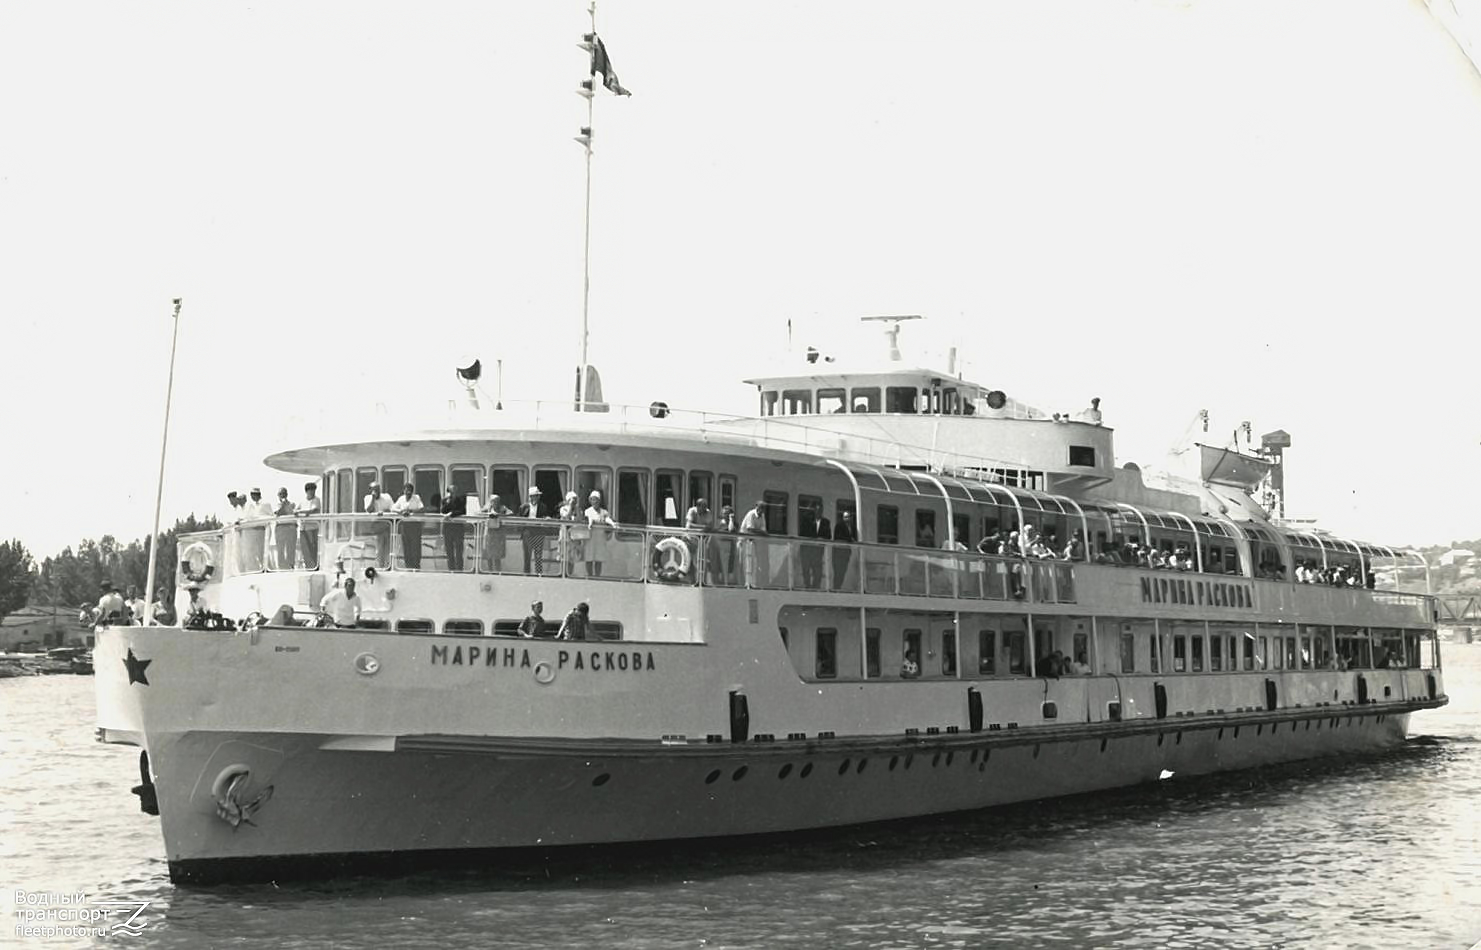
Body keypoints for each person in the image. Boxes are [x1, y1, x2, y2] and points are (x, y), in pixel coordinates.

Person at [518, 486, 554, 574]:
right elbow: (519, 519)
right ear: (530, 497)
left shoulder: (543, 506)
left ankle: (539, 574)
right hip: (527, 533)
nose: (537, 497)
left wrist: (547, 518)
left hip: (538, 532)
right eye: (534, 496)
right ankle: (526, 574)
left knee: (538, 555)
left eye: (537, 496)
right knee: (527, 555)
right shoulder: (523, 507)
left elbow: (545, 516)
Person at [391, 483, 425, 569]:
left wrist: (410, 511)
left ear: (412, 491)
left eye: (410, 490)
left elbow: (421, 509)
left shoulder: (416, 498)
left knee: (415, 547)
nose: (408, 492)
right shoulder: (401, 498)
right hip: (404, 525)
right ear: (404, 491)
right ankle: (408, 566)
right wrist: (401, 511)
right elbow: (393, 508)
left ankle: (416, 566)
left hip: (415, 525)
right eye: (406, 490)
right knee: (406, 547)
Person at [584, 491, 617, 577]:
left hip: (600, 538)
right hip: (590, 538)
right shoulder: (587, 511)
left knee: (598, 559)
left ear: (599, 501)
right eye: (593, 499)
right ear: (590, 501)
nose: (595, 501)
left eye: (596, 499)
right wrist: (590, 523)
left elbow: (607, 519)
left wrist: (612, 524)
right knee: (589, 558)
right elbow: (589, 518)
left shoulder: (604, 512)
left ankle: (597, 577)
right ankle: (590, 576)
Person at [363, 481, 395, 569]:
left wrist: (384, 512)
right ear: (370, 490)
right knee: (379, 548)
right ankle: (380, 566)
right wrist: (373, 498)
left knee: (389, 548)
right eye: (374, 489)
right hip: (376, 525)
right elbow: (369, 510)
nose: (377, 491)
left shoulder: (387, 497)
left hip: (388, 524)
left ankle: (388, 566)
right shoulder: (367, 498)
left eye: (378, 489)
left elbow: (393, 509)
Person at [740, 499, 768, 586]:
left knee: (754, 562)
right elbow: (750, 529)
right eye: (761, 507)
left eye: (763, 508)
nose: (762, 510)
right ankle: (746, 583)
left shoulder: (762, 516)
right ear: (756, 507)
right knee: (746, 562)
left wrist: (761, 532)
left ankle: (753, 583)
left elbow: (763, 529)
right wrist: (761, 532)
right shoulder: (751, 514)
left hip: (754, 541)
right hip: (744, 541)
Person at [482, 493, 513, 572]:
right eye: (493, 501)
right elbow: (478, 513)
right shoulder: (487, 508)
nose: (495, 503)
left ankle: (497, 571)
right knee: (488, 553)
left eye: (496, 501)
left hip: (498, 534)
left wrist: (498, 515)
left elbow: (510, 513)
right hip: (489, 533)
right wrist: (488, 515)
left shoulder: (502, 508)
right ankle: (490, 571)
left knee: (497, 554)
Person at [270, 487, 298, 570]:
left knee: (291, 548)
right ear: (278, 495)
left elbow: (295, 513)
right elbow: (277, 513)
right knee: (280, 549)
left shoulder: (292, 504)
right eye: (280, 494)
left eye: (284, 493)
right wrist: (283, 505)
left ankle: (290, 566)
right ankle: (281, 567)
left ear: (287, 494)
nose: (282, 495)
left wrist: (287, 505)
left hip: (290, 527)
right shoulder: (275, 505)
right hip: (280, 528)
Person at [441, 486, 468, 571]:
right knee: (449, 550)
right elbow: (443, 511)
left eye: (454, 491)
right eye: (450, 492)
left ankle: (459, 569)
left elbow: (462, 511)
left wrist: (451, 514)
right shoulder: (445, 500)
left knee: (459, 550)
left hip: (458, 528)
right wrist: (448, 503)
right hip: (448, 528)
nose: (452, 493)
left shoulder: (461, 500)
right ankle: (451, 569)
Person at [296, 481, 321, 570]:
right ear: (307, 491)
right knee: (305, 549)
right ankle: (309, 567)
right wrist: (299, 512)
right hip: (303, 528)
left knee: (313, 548)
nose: (313, 492)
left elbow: (314, 510)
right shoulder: (302, 501)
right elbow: (295, 510)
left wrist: (301, 512)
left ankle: (315, 567)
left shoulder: (316, 500)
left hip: (313, 528)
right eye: (311, 491)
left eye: (314, 490)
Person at [712, 504, 739, 585]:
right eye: (723, 513)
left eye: (726, 513)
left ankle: (726, 583)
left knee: (726, 566)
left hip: (727, 545)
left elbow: (731, 530)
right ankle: (715, 582)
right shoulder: (719, 522)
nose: (724, 515)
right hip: (716, 545)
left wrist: (731, 519)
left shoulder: (734, 523)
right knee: (716, 565)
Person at [559, 491, 585, 571]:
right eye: (572, 499)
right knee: (564, 557)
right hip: (565, 536)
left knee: (572, 557)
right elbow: (566, 517)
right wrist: (570, 506)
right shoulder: (563, 509)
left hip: (574, 537)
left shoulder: (578, 510)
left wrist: (576, 509)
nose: (574, 501)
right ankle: (563, 573)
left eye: (575, 499)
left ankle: (570, 573)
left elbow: (580, 519)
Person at [831, 509, 855, 591]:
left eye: (849, 517)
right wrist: (849, 539)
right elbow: (838, 537)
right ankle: (836, 588)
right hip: (838, 552)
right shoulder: (839, 526)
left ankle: (838, 587)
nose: (847, 518)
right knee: (838, 572)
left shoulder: (852, 527)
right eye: (846, 517)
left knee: (843, 572)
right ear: (843, 518)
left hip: (846, 553)